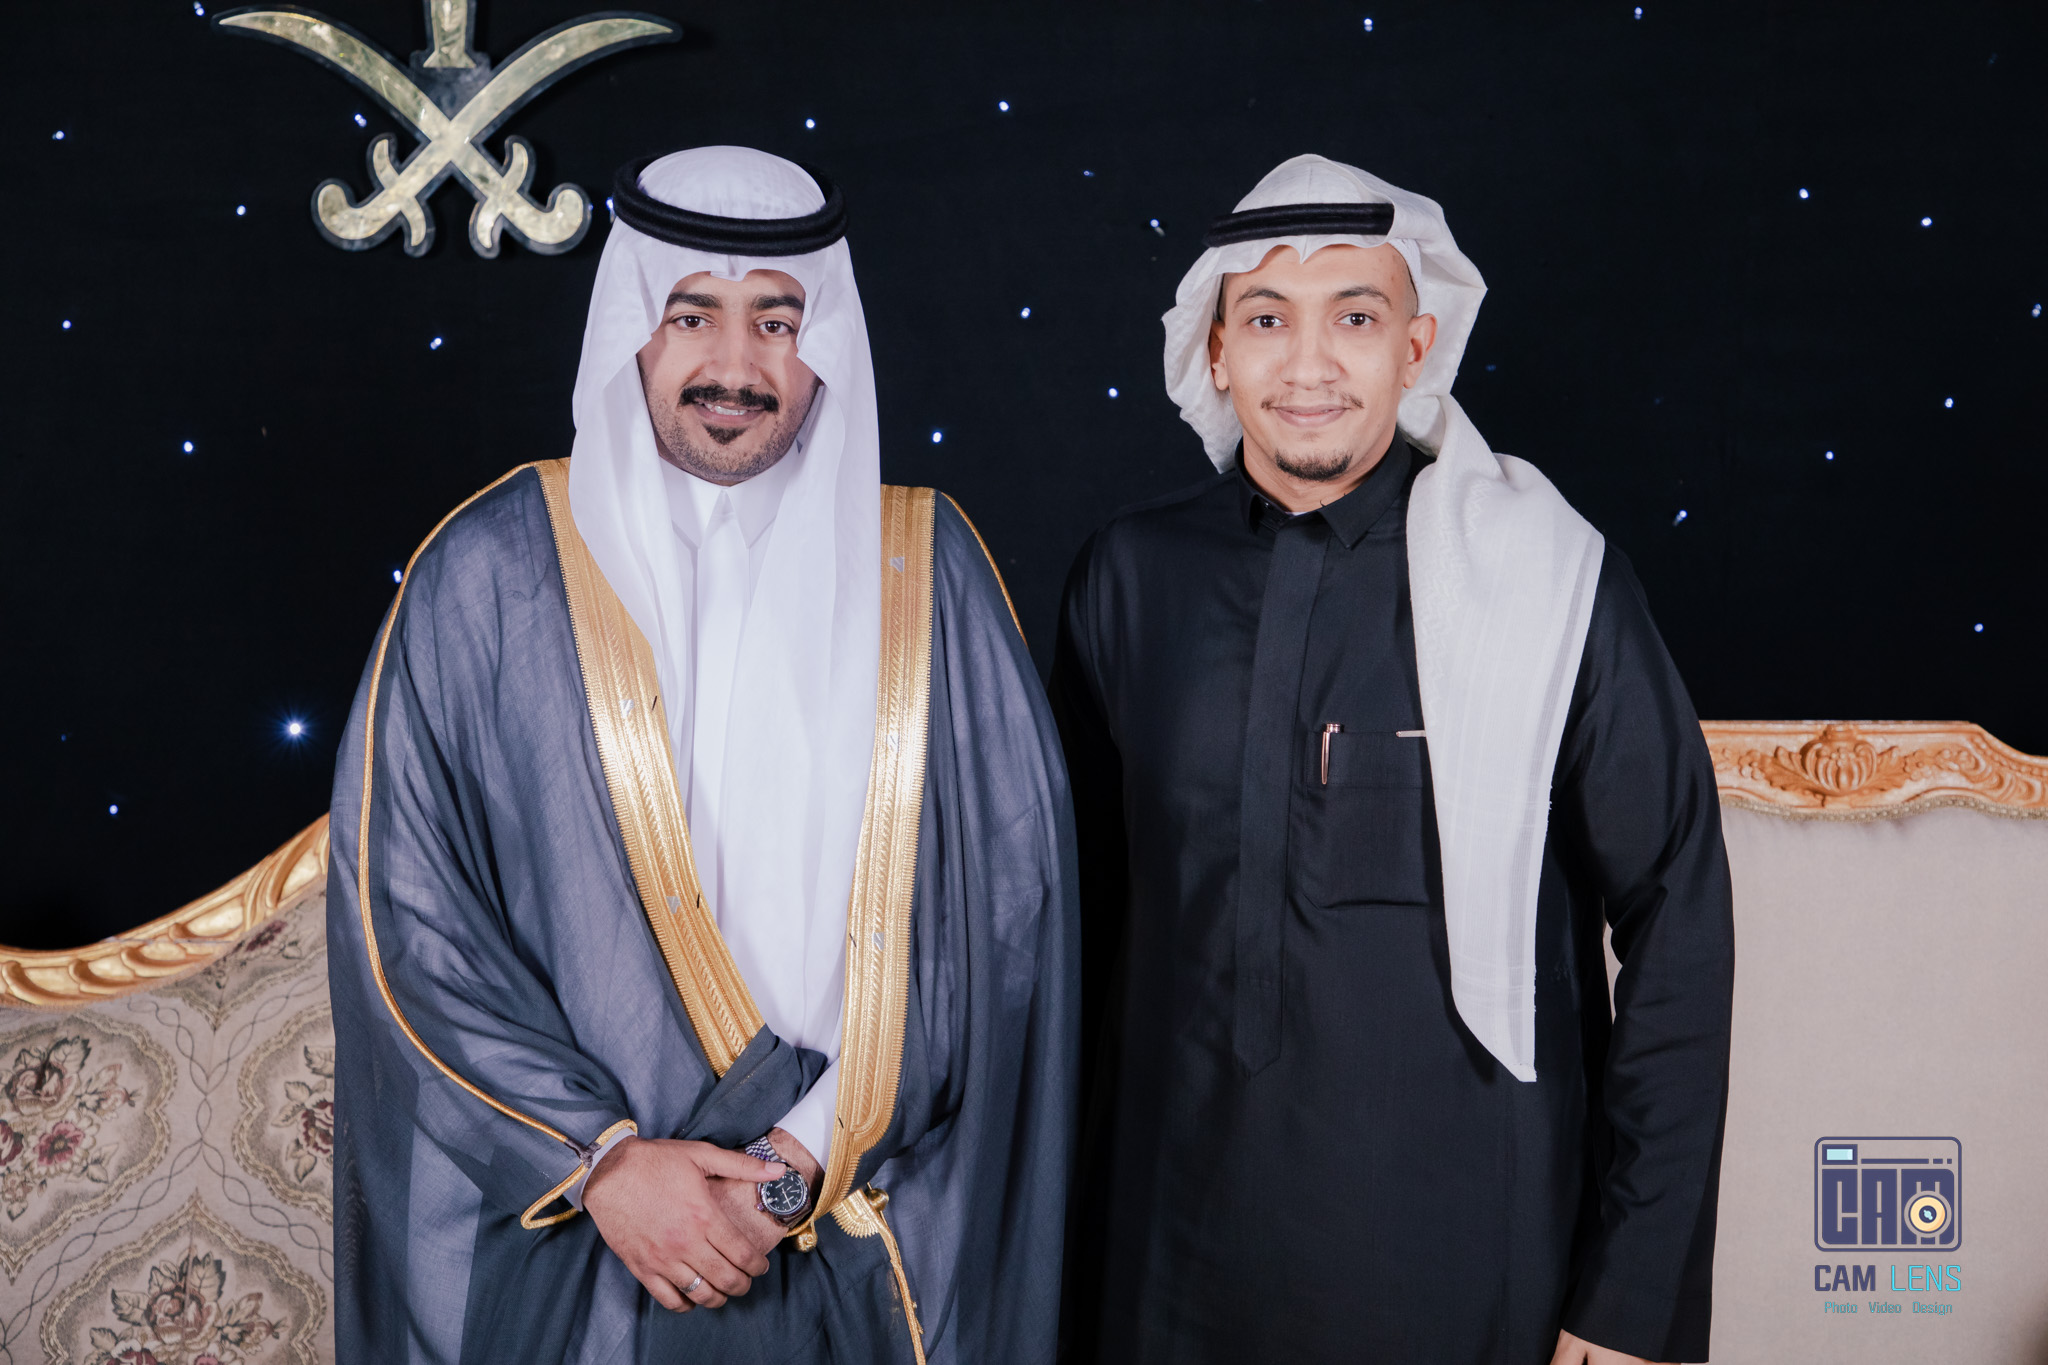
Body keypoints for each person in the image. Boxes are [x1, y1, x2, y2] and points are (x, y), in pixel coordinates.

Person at [327, 145, 1076, 1365]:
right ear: (633, 325)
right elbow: (407, 921)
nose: (735, 365)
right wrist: (604, 1164)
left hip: (849, 1227)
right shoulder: (488, 574)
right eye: (692, 316)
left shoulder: (928, 575)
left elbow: (1001, 922)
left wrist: (792, 1165)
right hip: (583, 1253)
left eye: (776, 321)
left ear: (823, 340)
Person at [1053, 154, 1734, 1365]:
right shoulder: (1128, 578)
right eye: (1267, 319)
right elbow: (1065, 937)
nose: (1308, 365)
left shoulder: (1548, 583)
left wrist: (1629, 1295)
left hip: (1468, 1266)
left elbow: (1677, 924)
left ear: (1416, 347)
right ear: (1214, 350)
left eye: (1354, 319)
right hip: (1157, 1258)